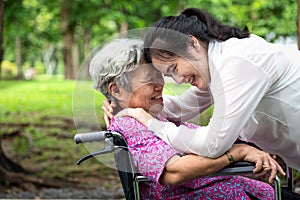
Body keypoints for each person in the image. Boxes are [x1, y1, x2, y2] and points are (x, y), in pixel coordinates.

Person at [90, 38, 283, 199]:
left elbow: (201, 142)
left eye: (160, 76)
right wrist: (237, 152)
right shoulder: (131, 125)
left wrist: (252, 148)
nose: (160, 84)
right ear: (116, 89)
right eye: (150, 79)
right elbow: (174, 171)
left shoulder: (154, 116)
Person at [110, 7, 300, 171]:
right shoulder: (214, 67)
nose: (178, 80)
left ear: (192, 44)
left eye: (174, 68)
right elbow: (181, 107)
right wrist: (125, 103)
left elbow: (213, 143)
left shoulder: (237, 61)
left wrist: (152, 123)